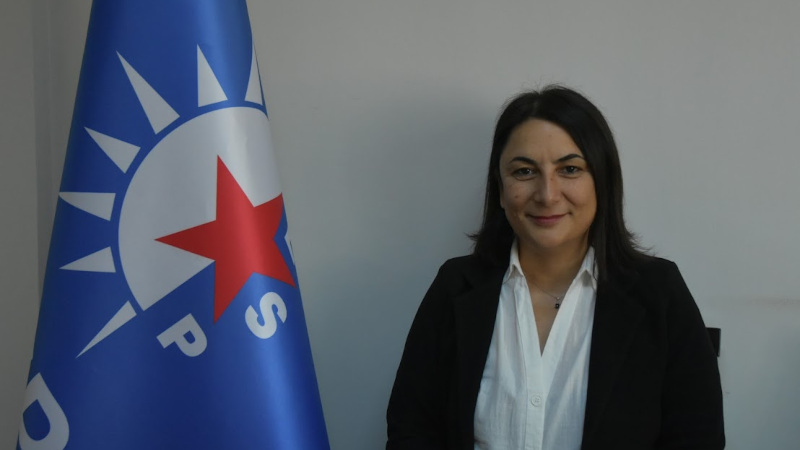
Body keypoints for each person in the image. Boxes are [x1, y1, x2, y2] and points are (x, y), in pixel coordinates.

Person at [386, 85, 724, 449]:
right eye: (524, 171)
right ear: (500, 189)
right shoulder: (455, 287)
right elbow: (412, 430)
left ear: (602, 181)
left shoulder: (659, 292)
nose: (547, 194)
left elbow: (697, 438)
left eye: (570, 169)